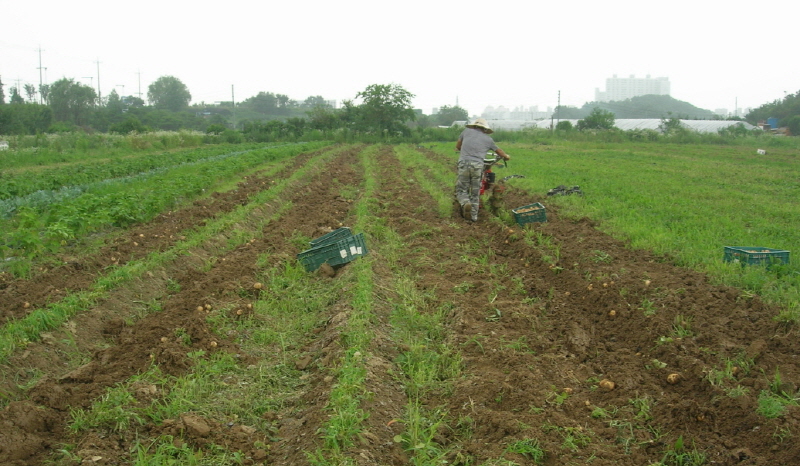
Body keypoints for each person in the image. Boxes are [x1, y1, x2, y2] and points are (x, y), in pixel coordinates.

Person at [455, 118, 510, 222]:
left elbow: (458, 146)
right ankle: (474, 217)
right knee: (476, 192)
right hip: (478, 165)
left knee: (461, 189)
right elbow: (499, 151)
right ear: (484, 129)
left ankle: (466, 203)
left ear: (474, 126)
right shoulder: (488, 139)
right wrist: (506, 156)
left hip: (464, 163)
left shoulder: (466, 132)